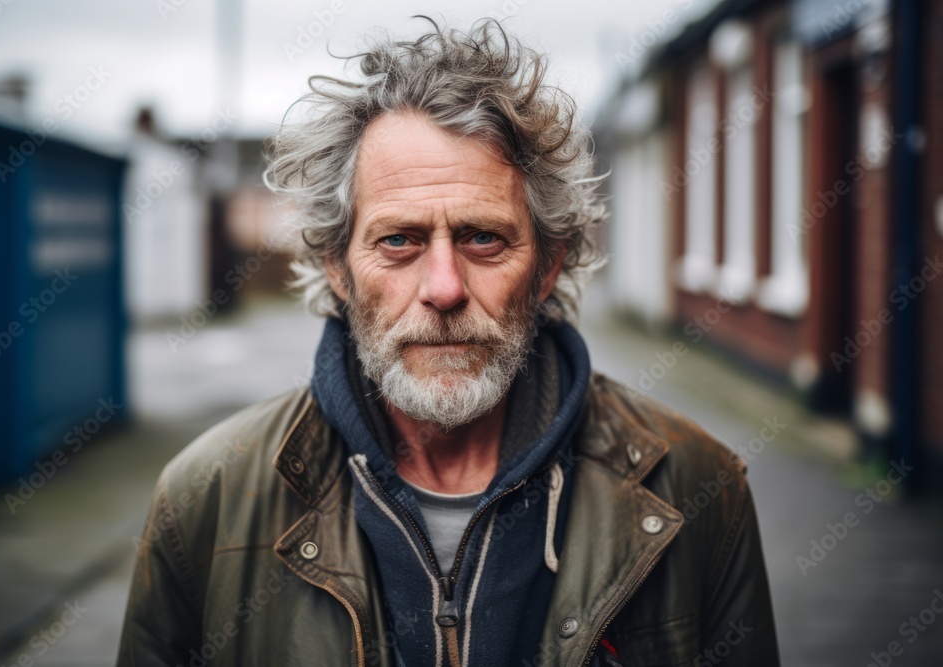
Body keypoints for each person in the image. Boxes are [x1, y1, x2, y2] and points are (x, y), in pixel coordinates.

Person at [117, 18, 779, 667]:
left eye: (483, 238)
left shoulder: (699, 487)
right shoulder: (205, 499)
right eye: (398, 239)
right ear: (337, 267)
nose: (443, 287)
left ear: (548, 264)